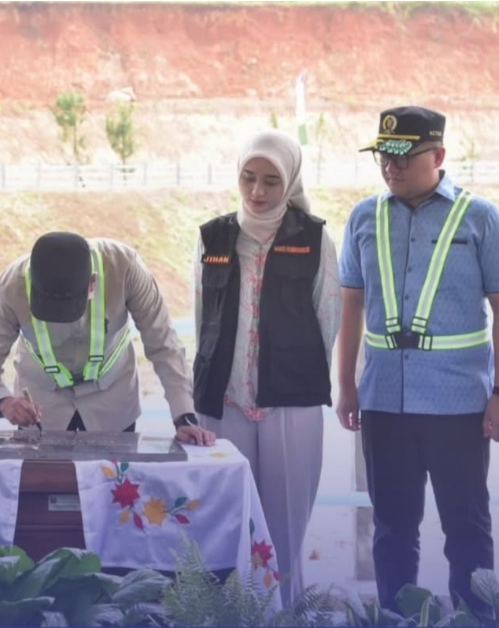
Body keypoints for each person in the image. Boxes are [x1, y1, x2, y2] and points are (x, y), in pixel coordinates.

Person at [337, 106, 499, 615]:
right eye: (383, 156)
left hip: (459, 403)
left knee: (466, 527)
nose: (391, 167)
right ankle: (396, 619)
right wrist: (346, 385)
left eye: (404, 156)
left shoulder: (481, 218)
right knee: (392, 528)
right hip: (384, 400)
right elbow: (350, 304)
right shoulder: (364, 218)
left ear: (439, 155)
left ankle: (475, 619)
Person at [192, 129, 341, 607]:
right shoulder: (213, 237)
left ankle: (285, 614)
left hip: (291, 404)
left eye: (271, 181)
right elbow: (202, 317)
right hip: (224, 400)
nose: (257, 191)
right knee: (227, 522)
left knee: (284, 530)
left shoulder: (314, 238)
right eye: (248, 177)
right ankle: (230, 615)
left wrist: (291, 373)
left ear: (290, 181)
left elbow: (328, 318)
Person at [0, 231, 215, 446]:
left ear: (92, 283)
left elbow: (163, 344)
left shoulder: (125, 268)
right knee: (42, 483)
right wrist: (4, 402)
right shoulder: (12, 286)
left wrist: (184, 416)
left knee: (114, 483)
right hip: (42, 408)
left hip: (112, 403)